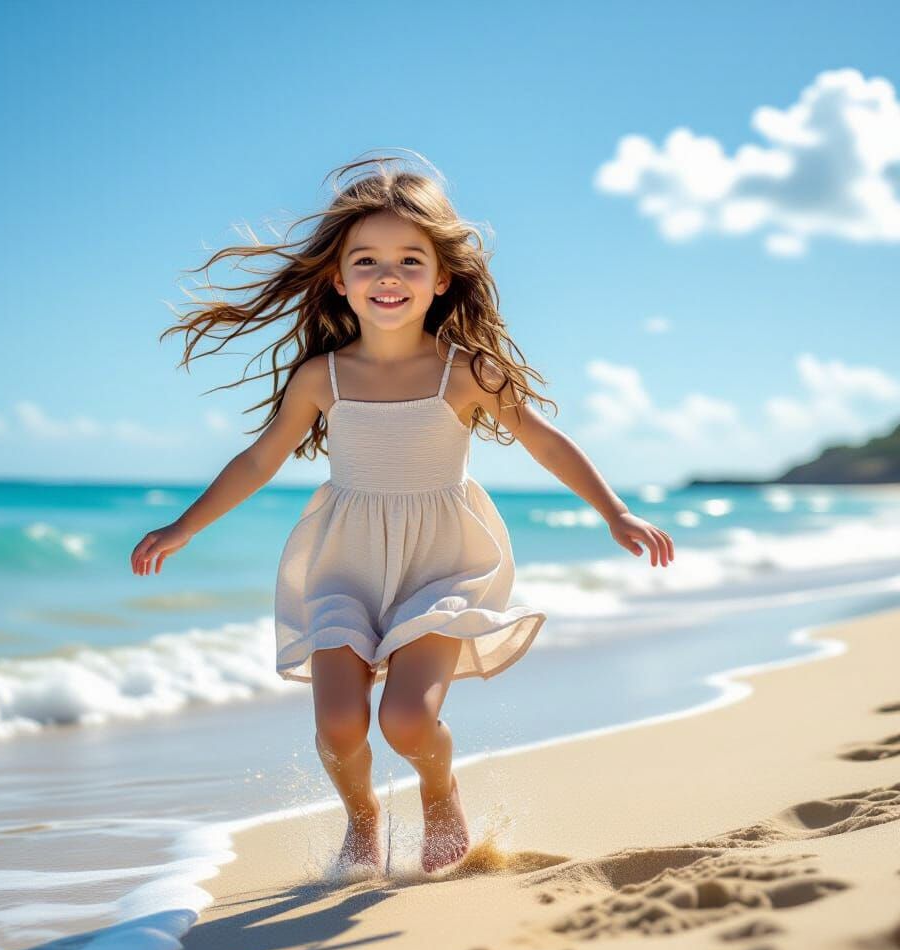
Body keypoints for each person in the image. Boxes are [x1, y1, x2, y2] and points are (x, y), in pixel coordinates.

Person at [130, 151, 674, 877]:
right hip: (345, 564)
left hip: (443, 565)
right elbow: (260, 461)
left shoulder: (466, 370)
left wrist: (616, 512)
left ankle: (439, 791)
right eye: (367, 261)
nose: (388, 276)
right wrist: (185, 525)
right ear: (338, 277)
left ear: (441, 276)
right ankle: (363, 817)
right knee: (339, 723)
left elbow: (544, 440)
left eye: (410, 260)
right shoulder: (322, 376)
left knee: (407, 720)